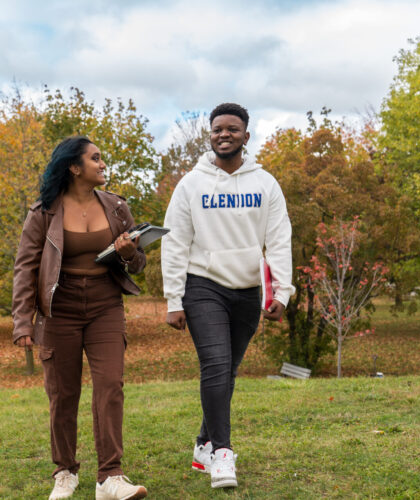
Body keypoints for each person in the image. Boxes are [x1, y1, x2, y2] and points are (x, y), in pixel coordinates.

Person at [161, 103, 295, 489]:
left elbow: (279, 240)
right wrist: (174, 300)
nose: (224, 134)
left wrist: (282, 291)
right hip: (203, 285)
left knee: (227, 369)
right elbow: (175, 245)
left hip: (248, 291)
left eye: (232, 129)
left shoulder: (265, 183)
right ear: (210, 135)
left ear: (245, 136)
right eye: (218, 129)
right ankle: (222, 452)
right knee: (217, 365)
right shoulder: (191, 185)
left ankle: (203, 442)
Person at [12, 136, 148, 500]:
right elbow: (25, 268)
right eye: (96, 159)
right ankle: (65, 471)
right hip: (60, 311)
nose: (103, 164)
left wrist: (130, 252)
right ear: (74, 167)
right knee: (62, 393)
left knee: (110, 386)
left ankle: (110, 478)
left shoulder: (117, 207)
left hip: (106, 305)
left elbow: (138, 263)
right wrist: (22, 321)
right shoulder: (43, 213)